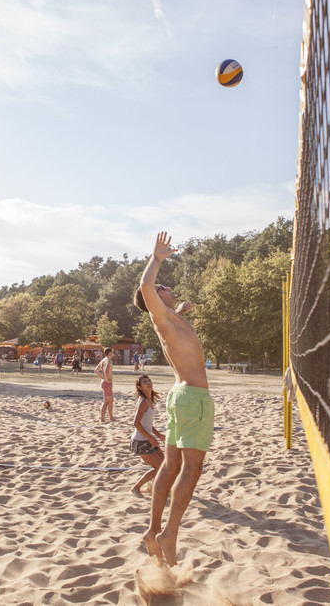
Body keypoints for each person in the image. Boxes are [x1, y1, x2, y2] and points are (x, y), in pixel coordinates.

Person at [134, 231, 213, 567]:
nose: (166, 287)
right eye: (164, 287)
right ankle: (169, 534)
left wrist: (179, 309)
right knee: (192, 470)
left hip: (183, 396)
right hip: (193, 397)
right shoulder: (160, 315)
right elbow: (145, 287)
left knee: (171, 466)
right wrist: (156, 257)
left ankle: (154, 531)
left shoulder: (171, 317)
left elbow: (174, 323)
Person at [130, 374, 165, 497]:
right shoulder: (143, 402)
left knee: (164, 465)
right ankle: (136, 488)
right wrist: (151, 437)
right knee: (159, 467)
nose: (149, 382)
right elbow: (136, 423)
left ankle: (154, 487)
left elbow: (148, 424)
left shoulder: (149, 400)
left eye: (149, 380)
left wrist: (159, 435)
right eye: (145, 382)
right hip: (140, 441)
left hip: (148, 439)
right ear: (140, 387)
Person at [95, 347, 115, 422]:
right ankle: (102, 419)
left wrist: (103, 378)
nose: (113, 354)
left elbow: (96, 370)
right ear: (109, 353)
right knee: (106, 401)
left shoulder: (103, 360)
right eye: (112, 352)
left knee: (110, 401)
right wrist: (107, 380)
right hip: (107, 383)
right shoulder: (108, 361)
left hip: (105, 382)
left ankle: (111, 417)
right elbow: (106, 371)